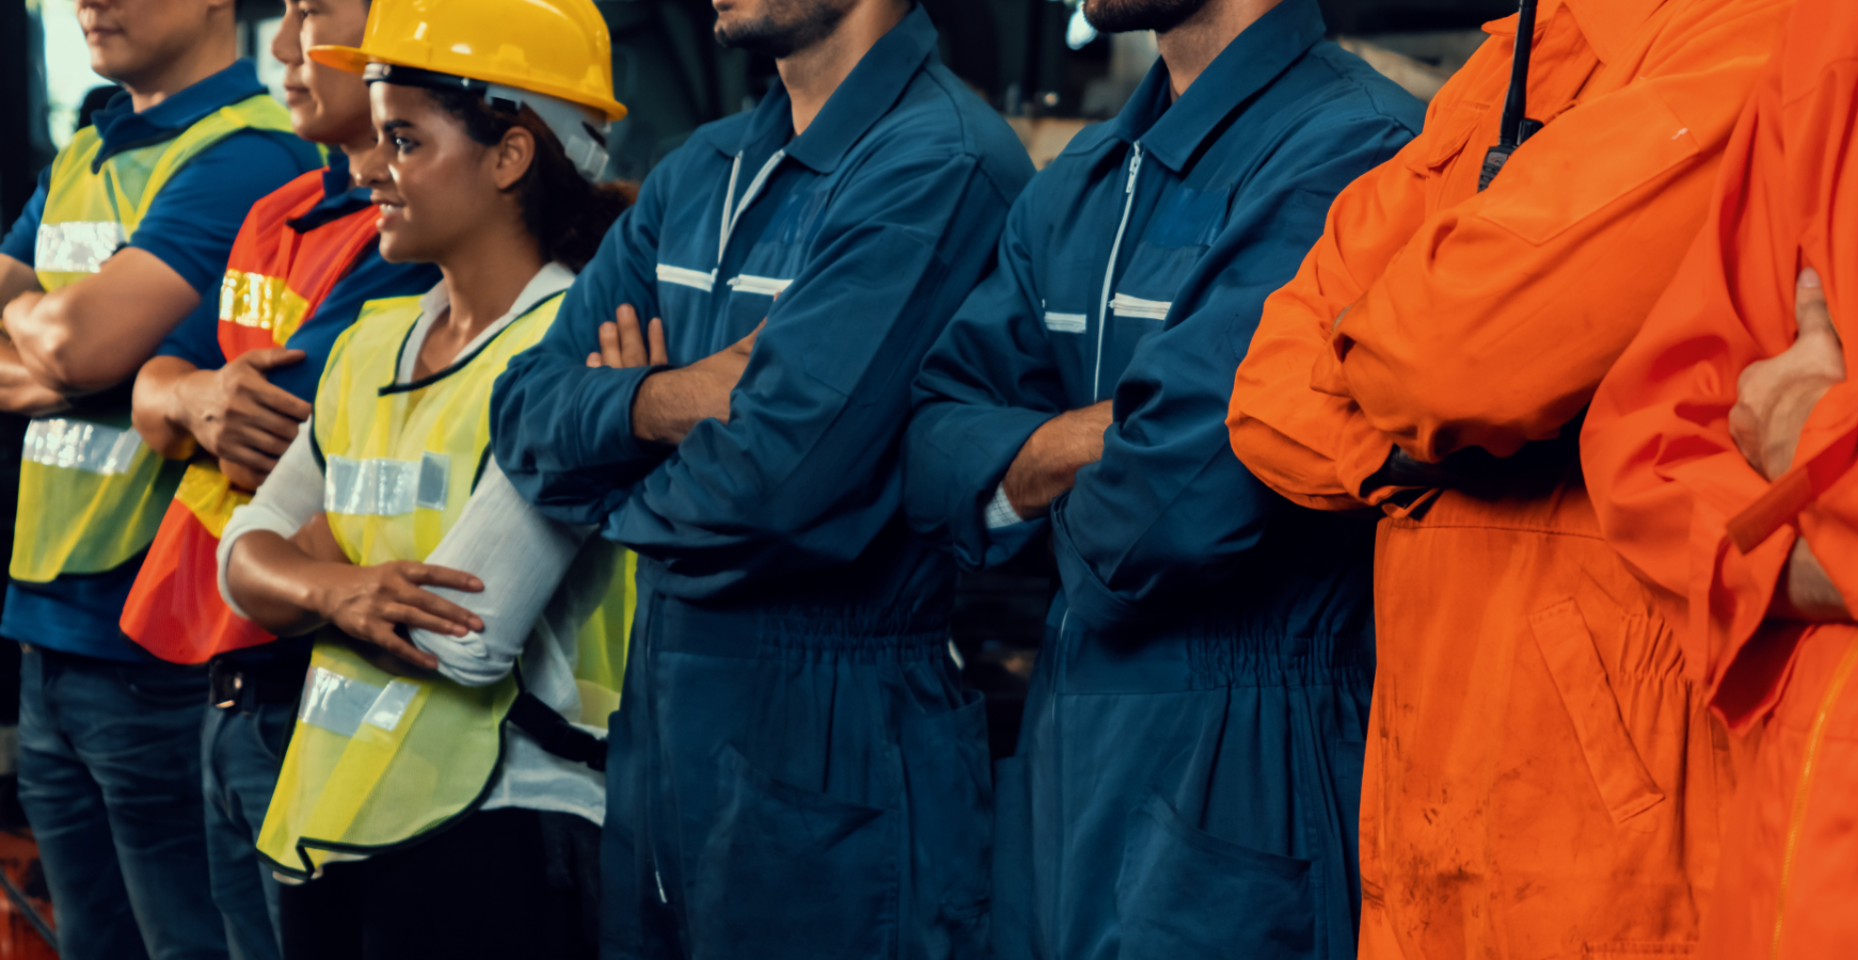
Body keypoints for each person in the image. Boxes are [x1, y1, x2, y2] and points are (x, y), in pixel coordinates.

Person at [1222, 0, 1793, 953]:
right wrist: (1428, 440)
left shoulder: (1749, 33)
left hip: (1611, 830)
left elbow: (1457, 360)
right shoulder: (1511, 61)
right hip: (1429, 793)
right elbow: (1266, 398)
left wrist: (1408, 385)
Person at [485, 0, 1033, 955]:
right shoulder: (704, 168)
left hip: (838, 727)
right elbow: (523, 417)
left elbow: (773, 489)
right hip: (662, 722)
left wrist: (613, 453)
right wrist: (668, 404)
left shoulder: (940, 164)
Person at [906, 0, 1421, 955]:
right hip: (1068, 741)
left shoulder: (1356, 150)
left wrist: (1028, 466)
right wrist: (1079, 442)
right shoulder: (1094, 173)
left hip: (1251, 747)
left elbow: (1172, 511)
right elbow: (931, 446)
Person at [215, 0, 637, 956]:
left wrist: (312, 569)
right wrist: (347, 587)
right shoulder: (369, 346)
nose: (366, 167)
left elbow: (465, 639)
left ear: (510, 155)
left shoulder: (578, 353)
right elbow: (241, 557)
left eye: (401, 139)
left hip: (509, 829)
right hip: (335, 816)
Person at [1582, 0, 1858, 952]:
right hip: (1792, 870)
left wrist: (1802, 426)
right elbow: (1648, 432)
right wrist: (1823, 561)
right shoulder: (1840, 27)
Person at [121, 0, 441, 955]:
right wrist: (186, 398)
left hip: (314, 681)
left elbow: (275, 423)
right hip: (221, 666)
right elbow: (155, 384)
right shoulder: (276, 213)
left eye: (317, 13)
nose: (289, 45)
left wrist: (188, 400)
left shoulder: (410, 245)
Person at [0, 0, 319, 954]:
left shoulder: (246, 155)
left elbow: (79, 339)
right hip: (48, 632)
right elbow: (64, 347)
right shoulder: (88, 149)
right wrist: (64, 352)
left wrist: (63, 339)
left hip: (158, 644)